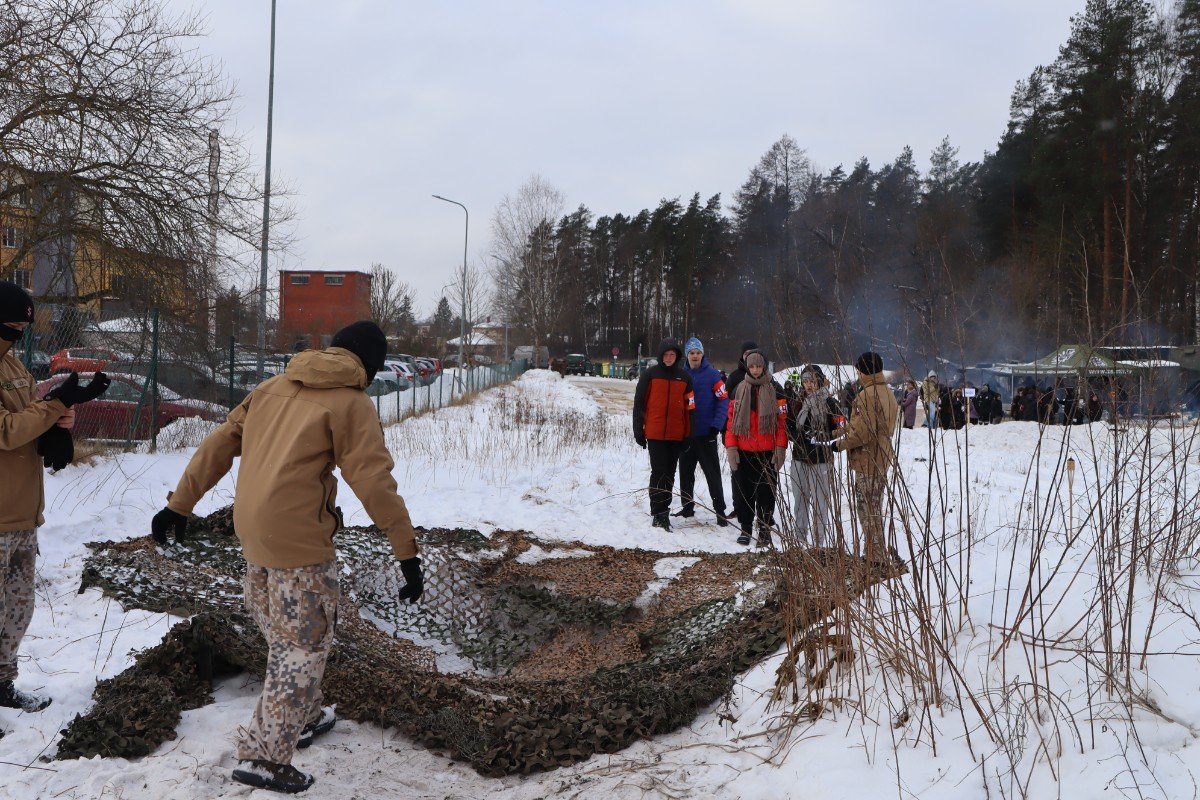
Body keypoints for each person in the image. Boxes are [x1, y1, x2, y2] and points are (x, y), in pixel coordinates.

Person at [150, 320, 423, 794]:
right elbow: (374, 482)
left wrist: (179, 504)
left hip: (254, 535)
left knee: (285, 634)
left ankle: (306, 715)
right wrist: (406, 552)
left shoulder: (271, 387)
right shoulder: (351, 403)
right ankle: (263, 757)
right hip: (300, 546)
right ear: (371, 364)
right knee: (303, 647)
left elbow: (219, 444)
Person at [0, 282, 110, 724]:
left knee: (17, 607)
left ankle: (2, 684)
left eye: (23, 326)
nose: (18, 334)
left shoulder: (12, 364)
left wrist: (59, 419)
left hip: (21, 511)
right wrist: (52, 406)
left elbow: (32, 413)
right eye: (12, 325)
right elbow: (6, 430)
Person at [817, 352, 898, 561]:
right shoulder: (887, 392)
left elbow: (862, 433)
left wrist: (838, 445)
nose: (858, 375)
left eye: (859, 371)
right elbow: (863, 425)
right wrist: (836, 433)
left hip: (868, 459)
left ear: (863, 371)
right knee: (874, 507)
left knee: (867, 510)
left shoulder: (866, 395)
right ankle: (876, 553)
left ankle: (875, 556)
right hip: (882, 456)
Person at [724, 352, 788, 547]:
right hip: (744, 452)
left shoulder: (775, 389)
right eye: (752, 366)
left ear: (764, 367)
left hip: (767, 453)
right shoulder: (738, 390)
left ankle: (764, 529)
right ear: (747, 367)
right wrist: (731, 447)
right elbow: (730, 424)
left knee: (766, 494)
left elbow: (781, 424)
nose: (755, 370)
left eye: (759, 366)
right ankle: (746, 528)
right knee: (745, 493)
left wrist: (780, 447)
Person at [632, 338, 695, 531]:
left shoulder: (685, 377)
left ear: (677, 356)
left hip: (677, 435)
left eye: (672, 354)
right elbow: (639, 404)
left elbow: (690, 408)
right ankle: (658, 513)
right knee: (659, 472)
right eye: (666, 354)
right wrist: (639, 430)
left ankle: (664, 511)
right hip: (655, 434)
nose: (669, 358)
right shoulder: (650, 375)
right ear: (661, 356)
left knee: (670, 473)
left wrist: (688, 434)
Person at [674, 337, 730, 526]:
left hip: (707, 434)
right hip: (687, 435)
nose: (695, 356)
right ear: (687, 355)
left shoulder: (713, 375)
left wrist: (717, 424)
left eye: (698, 353)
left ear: (702, 354)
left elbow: (723, 400)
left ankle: (720, 511)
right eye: (692, 353)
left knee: (713, 475)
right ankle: (687, 507)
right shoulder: (681, 375)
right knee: (685, 473)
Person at [785, 365, 839, 546]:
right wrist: (797, 435)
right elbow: (788, 425)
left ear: (820, 382)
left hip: (821, 459)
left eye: (813, 381)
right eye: (805, 381)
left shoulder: (830, 402)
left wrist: (823, 436)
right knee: (800, 500)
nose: (808, 384)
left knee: (820, 502)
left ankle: (818, 541)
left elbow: (841, 428)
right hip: (799, 457)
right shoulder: (798, 401)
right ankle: (799, 539)